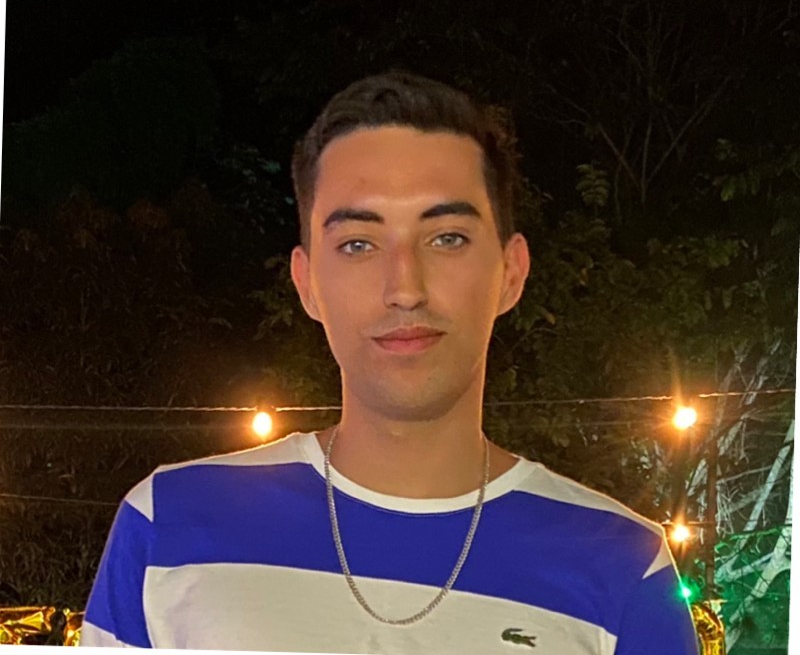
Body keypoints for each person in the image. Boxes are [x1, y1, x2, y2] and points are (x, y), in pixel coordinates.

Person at [81, 71, 699, 653]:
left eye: (447, 238)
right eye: (358, 244)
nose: (405, 287)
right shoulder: (167, 526)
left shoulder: (624, 568)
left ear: (511, 273)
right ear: (307, 283)